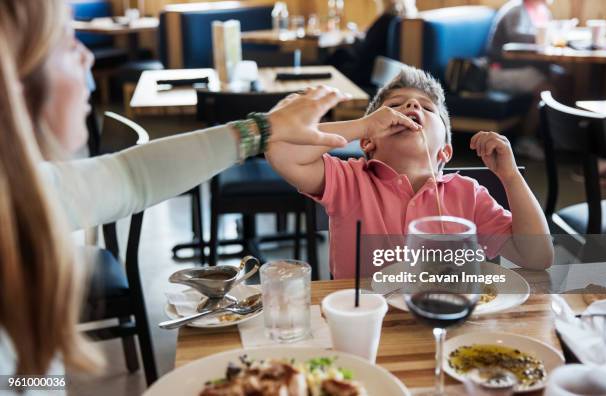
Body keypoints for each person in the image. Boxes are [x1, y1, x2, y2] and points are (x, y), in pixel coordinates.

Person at [0, 0, 372, 383]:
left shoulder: (24, 191)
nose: (86, 56)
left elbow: (130, 175)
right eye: (65, 39)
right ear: (13, 78)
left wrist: (262, 130)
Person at [266, 67, 554, 278]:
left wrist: (511, 177)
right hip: (370, 327)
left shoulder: (469, 195)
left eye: (427, 108)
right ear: (368, 142)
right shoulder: (349, 180)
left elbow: (537, 256)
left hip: (447, 321)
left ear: (445, 152)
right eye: (393, 107)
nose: (411, 106)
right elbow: (280, 149)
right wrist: (360, 126)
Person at [486, 0, 560, 159]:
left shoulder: (543, 11)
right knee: (546, 90)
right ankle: (526, 141)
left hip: (526, 69)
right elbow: (516, 38)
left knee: (565, 79)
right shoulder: (515, 10)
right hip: (501, 71)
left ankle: (557, 139)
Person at [327, 0, 417, 88]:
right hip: (382, 70)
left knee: (339, 54)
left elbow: (367, 50)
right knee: (342, 53)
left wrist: (355, 40)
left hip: (370, 73)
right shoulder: (403, 21)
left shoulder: (385, 20)